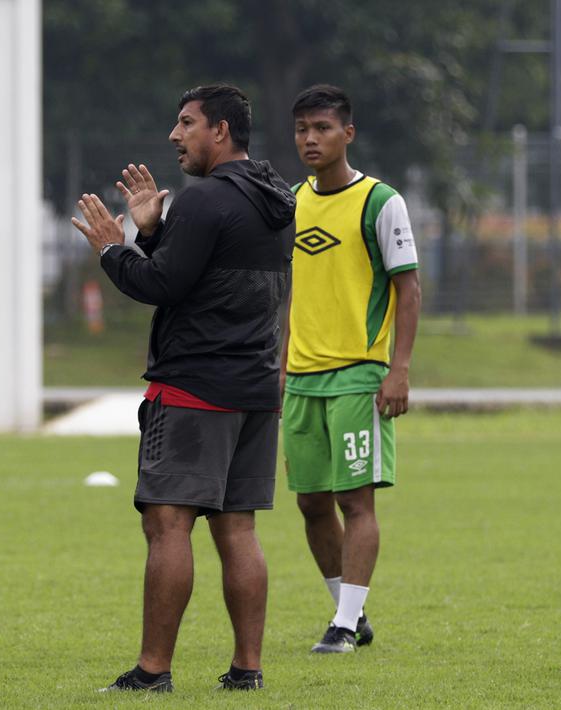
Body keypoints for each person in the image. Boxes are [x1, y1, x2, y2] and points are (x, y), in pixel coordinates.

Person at [72, 84, 295, 692]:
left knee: (168, 524)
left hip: (196, 386)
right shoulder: (275, 197)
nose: (175, 135)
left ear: (219, 131)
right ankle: (247, 670)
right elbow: (196, 276)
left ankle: (152, 672)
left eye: (186, 123)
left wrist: (112, 251)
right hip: (255, 387)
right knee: (238, 528)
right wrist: (149, 233)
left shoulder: (204, 201)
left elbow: (163, 286)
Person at [282, 84, 421, 654]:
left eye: (322, 128)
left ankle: (343, 624)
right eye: (301, 130)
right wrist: (277, 361)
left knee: (354, 500)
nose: (310, 139)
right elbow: (288, 290)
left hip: (359, 374)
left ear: (348, 134)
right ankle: (351, 615)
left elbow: (408, 290)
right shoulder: (291, 201)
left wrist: (400, 369)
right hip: (299, 376)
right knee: (310, 502)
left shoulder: (380, 201)